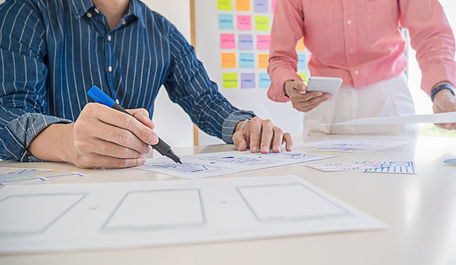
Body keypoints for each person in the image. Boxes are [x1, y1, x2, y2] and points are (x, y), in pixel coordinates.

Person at [0, 0, 292, 168]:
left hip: (137, 189)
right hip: (49, 195)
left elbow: (204, 99)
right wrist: (67, 142)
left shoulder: (162, 32)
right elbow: (7, 113)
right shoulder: (26, 12)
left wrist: (245, 127)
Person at [267, 0, 456, 136]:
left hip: (389, 99)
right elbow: (280, 57)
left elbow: (431, 33)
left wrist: (441, 89)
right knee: (323, 192)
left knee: (393, 193)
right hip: (324, 103)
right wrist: (288, 85)